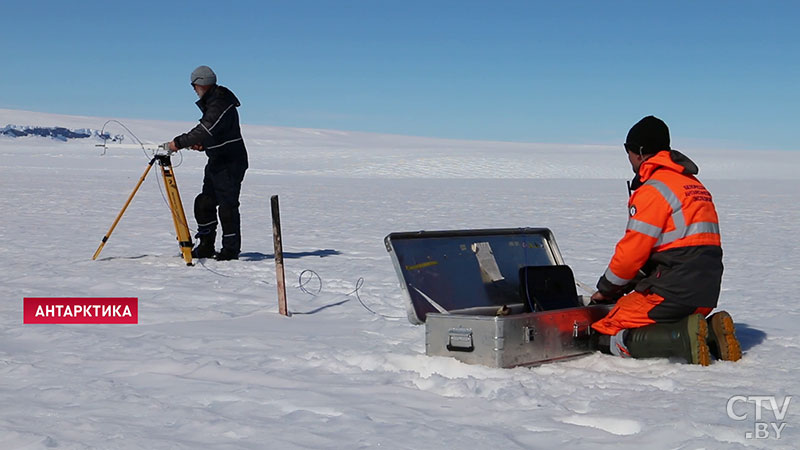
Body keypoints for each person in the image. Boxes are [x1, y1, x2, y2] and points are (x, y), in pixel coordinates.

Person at [590, 116, 741, 366]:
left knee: (607, 329)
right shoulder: (693, 184)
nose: (628, 159)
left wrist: (607, 289)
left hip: (673, 292)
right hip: (705, 292)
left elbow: (631, 254)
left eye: (628, 152)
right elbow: (677, 247)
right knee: (662, 314)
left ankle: (680, 339)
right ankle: (711, 333)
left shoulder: (654, 189)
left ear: (639, 152)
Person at [167, 66, 248, 261]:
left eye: (194, 85)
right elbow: (215, 133)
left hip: (230, 162)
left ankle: (230, 250)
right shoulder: (214, 101)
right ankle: (206, 245)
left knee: (227, 206)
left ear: (202, 84)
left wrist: (178, 143)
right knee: (204, 202)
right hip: (217, 160)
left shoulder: (220, 102)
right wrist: (202, 145)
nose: (194, 90)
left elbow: (206, 128)